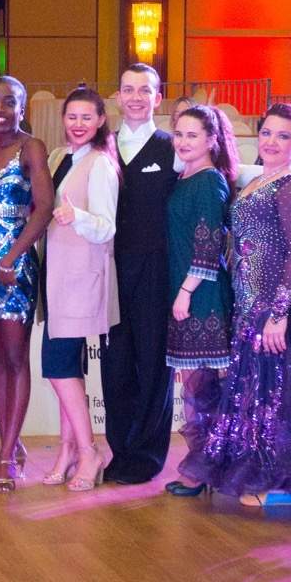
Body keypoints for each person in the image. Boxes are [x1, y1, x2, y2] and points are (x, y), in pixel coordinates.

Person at [176, 104, 291, 516]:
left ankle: (284, 482)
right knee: (255, 394)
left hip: (275, 307)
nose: (271, 142)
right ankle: (258, 471)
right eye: (267, 133)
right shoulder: (258, 180)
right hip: (250, 303)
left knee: (278, 395)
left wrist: (280, 313)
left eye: (283, 136)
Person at [0, 76, 54, 492]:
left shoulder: (31, 147)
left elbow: (44, 208)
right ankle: (9, 448)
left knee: (16, 359)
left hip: (15, 267)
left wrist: (11, 256)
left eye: (8, 102)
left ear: (23, 107)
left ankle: (6, 457)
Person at [102, 64, 178, 484]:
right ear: (117, 96)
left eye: (144, 90)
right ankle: (120, 450)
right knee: (115, 363)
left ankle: (147, 455)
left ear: (157, 98)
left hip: (156, 269)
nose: (135, 97)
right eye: (128, 90)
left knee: (153, 362)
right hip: (110, 269)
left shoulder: (172, 148)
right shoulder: (103, 147)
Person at [42, 86, 119, 490]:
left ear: (101, 120)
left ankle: (89, 452)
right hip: (56, 276)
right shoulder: (60, 157)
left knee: (57, 367)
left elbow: (107, 227)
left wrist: (79, 217)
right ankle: (67, 449)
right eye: (72, 116)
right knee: (68, 368)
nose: (78, 124)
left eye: (86, 117)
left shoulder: (100, 163)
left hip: (80, 277)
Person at [160, 105, 235, 496]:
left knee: (204, 390)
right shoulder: (184, 177)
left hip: (201, 295)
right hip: (184, 291)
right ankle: (205, 467)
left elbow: (209, 247)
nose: (184, 142)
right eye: (179, 134)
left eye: (193, 135)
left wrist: (185, 292)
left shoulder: (208, 181)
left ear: (211, 140)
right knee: (195, 387)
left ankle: (205, 470)